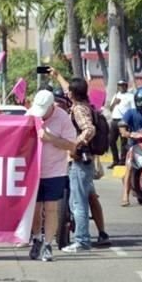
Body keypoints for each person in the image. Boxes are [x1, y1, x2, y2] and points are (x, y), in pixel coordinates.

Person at [27, 90, 78, 262]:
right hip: (32, 170)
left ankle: (48, 244)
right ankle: (36, 239)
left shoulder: (63, 118)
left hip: (55, 171)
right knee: (35, 209)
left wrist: (50, 138)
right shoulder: (31, 114)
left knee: (50, 209)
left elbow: (71, 145)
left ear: (51, 106)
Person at [62, 76, 97, 253]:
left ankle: (82, 241)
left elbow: (89, 129)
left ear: (73, 93)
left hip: (79, 161)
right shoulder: (84, 105)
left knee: (78, 203)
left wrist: (76, 144)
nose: (67, 93)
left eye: (69, 91)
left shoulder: (78, 110)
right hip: (82, 161)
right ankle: (81, 239)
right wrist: (56, 75)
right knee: (75, 201)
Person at [107, 80, 134, 169]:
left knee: (123, 142)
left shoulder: (130, 96)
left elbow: (133, 109)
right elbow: (110, 108)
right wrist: (115, 102)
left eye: (123, 85)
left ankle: (122, 161)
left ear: (126, 86)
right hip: (114, 120)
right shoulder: (116, 95)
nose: (121, 87)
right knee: (111, 140)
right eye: (119, 85)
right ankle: (115, 160)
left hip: (123, 121)